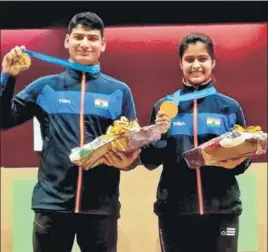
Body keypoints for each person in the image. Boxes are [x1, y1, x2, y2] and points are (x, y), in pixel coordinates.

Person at [0, 11, 140, 252]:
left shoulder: (119, 92)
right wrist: (8, 77)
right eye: (78, 37)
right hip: (52, 206)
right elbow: (4, 119)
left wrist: (128, 159)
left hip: (100, 210)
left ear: (102, 44)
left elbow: (132, 150)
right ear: (67, 41)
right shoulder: (44, 87)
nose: (85, 44)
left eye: (92, 38)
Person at [140, 33, 252, 252]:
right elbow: (149, 161)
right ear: (181, 63)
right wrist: (160, 134)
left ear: (213, 62)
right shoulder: (163, 107)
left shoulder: (229, 108)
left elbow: (242, 164)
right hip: (175, 214)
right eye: (189, 60)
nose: (196, 65)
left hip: (223, 214)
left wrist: (239, 157)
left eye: (202, 59)